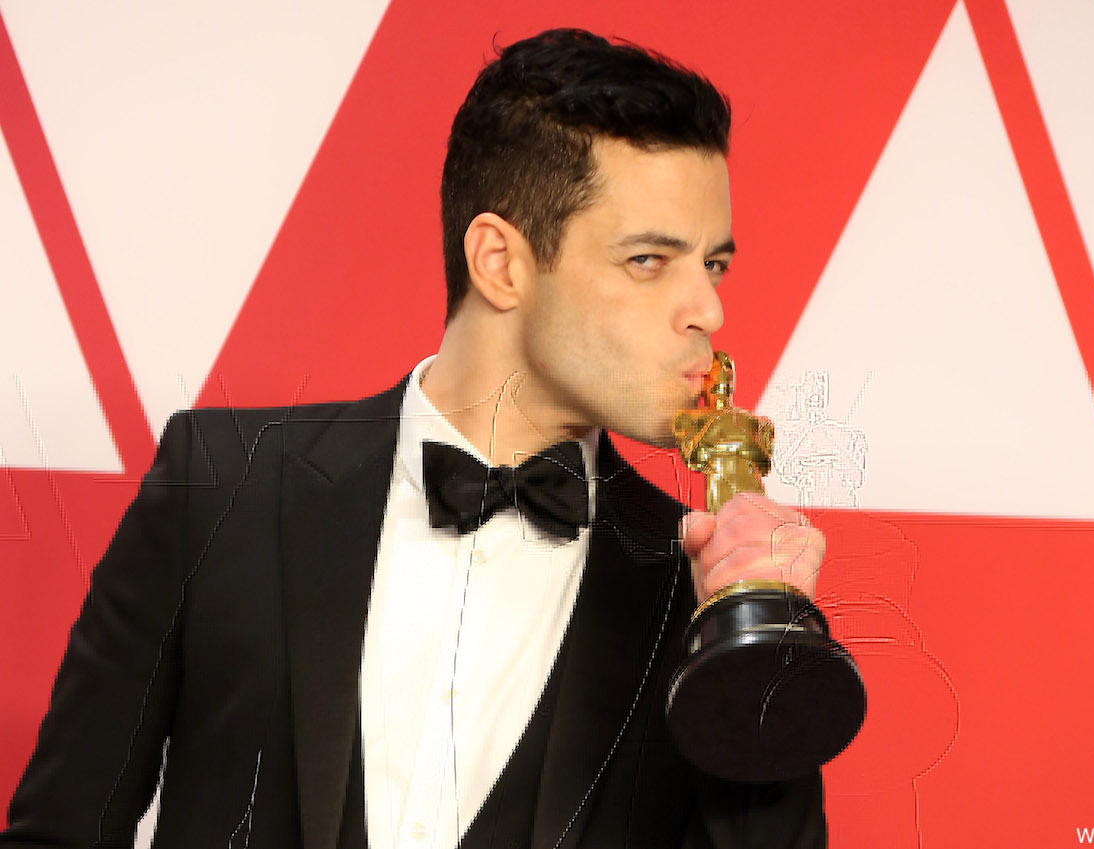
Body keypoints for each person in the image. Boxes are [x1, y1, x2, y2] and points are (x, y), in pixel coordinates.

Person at [2, 29, 828, 848]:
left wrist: (764, 652)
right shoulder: (218, 488)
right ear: (499, 262)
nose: (709, 312)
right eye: (650, 260)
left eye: (713, 265)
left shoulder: (694, 592)